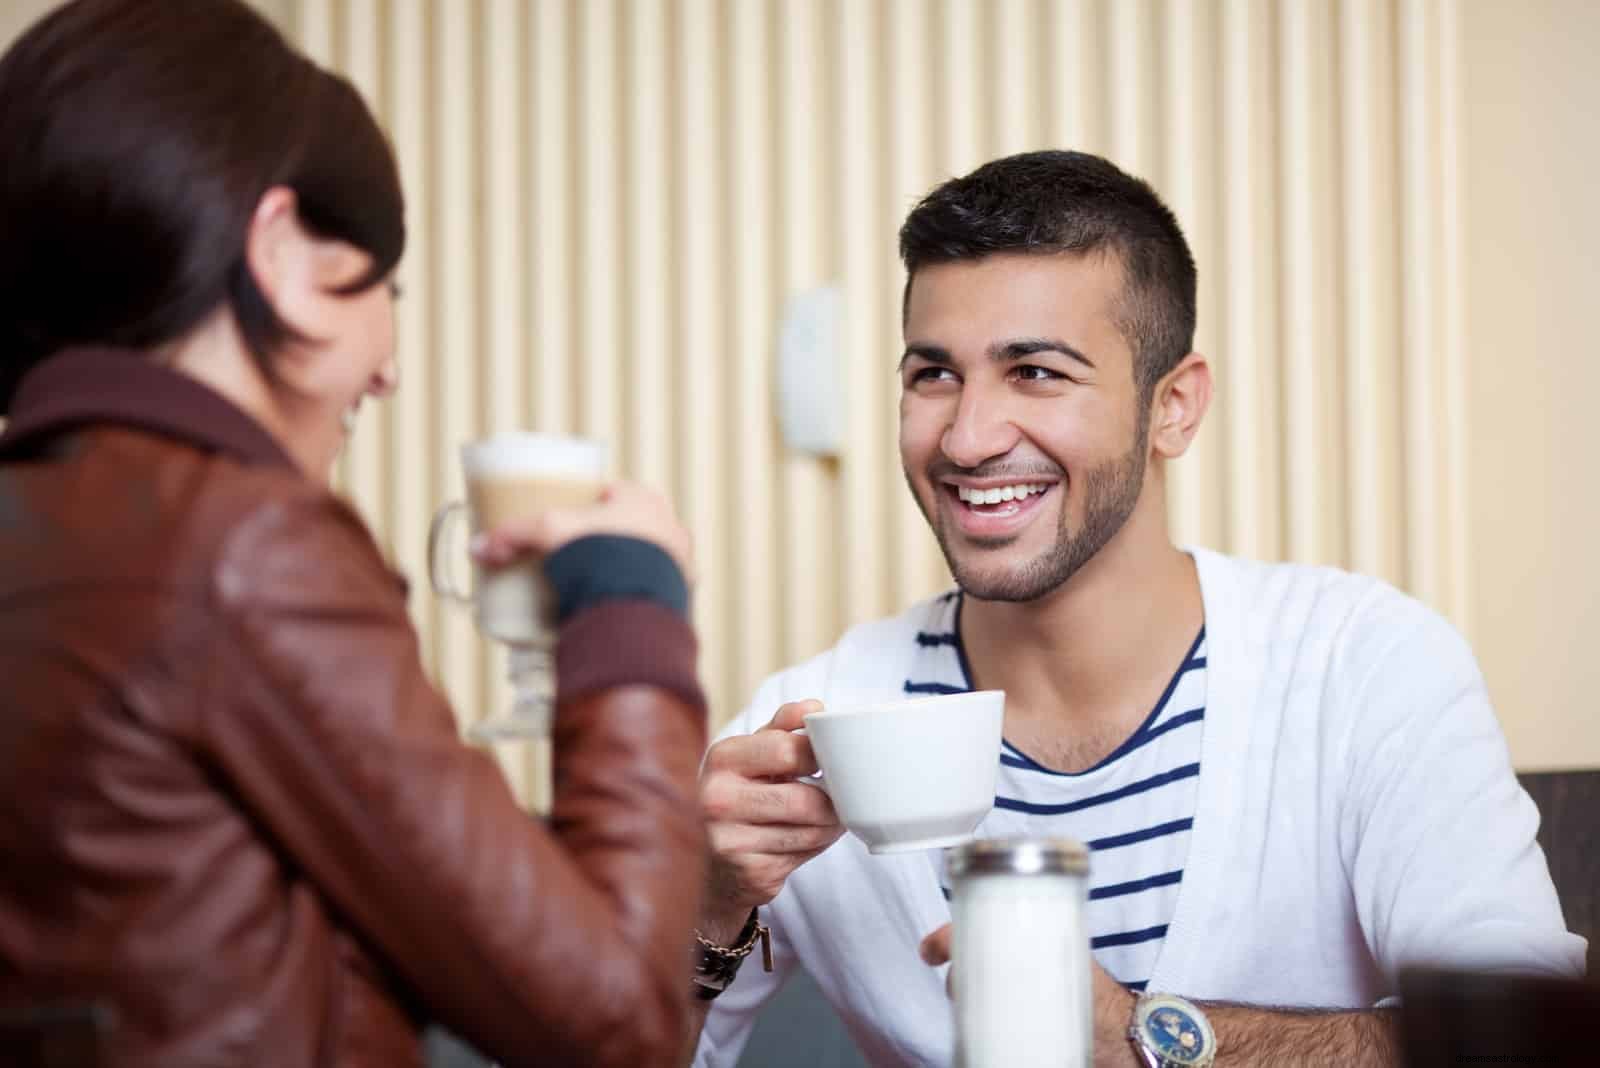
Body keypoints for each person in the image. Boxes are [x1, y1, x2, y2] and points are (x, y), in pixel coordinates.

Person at [685, 150, 1585, 1066]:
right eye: (934, 374)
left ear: (1175, 407)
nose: (966, 436)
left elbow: (1523, 1045)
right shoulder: (811, 726)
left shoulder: (1364, 668)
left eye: (1035, 372)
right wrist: (707, 907)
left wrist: (1147, 1040)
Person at [0, 2, 706, 1066]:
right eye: (385, 283)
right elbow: (615, 1019)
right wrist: (629, 602)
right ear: (281, 251)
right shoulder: (239, 548)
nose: (387, 367)